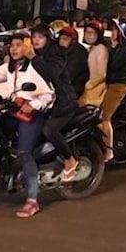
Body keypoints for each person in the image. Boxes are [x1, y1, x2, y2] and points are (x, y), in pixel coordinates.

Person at [0, 32, 54, 218]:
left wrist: (33, 105)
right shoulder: (11, 67)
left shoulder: (34, 67)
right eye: (12, 46)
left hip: (32, 114)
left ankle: (32, 200)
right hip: (14, 110)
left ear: (27, 46)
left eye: (18, 45)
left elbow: (49, 94)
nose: (14, 49)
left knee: (25, 153)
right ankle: (4, 170)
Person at [32, 25, 80, 181]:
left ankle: (69, 159)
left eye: (40, 37)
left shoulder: (56, 53)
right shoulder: (36, 54)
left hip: (63, 102)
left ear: (48, 39)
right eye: (34, 37)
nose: (36, 40)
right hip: (44, 102)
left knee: (49, 130)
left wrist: (33, 58)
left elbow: (51, 74)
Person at [101, 20, 126, 161]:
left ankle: (109, 151)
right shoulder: (119, 46)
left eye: (115, 30)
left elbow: (113, 64)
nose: (112, 33)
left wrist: (111, 48)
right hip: (112, 83)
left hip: (120, 84)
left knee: (104, 117)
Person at [79, 20, 108, 109]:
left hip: (95, 93)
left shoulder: (101, 49)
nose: (88, 35)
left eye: (92, 32)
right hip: (88, 92)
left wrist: (89, 85)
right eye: (86, 32)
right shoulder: (92, 49)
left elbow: (101, 73)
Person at [57, 25, 89, 97]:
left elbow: (68, 75)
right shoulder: (62, 51)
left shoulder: (78, 53)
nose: (61, 41)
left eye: (65, 39)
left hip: (73, 91)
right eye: (60, 38)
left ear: (73, 41)